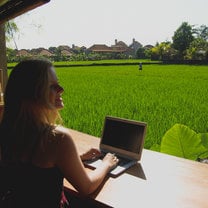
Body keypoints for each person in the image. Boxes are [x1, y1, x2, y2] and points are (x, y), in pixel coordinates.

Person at [0, 58, 119, 208]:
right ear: (33, 94)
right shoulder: (56, 138)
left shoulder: (8, 130)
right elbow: (86, 187)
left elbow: (32, 172)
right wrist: (106, 164)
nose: (61, 89)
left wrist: (76, 158)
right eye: (52, 86)